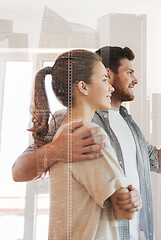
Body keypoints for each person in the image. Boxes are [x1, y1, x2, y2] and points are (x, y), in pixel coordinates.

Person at [12, 46, 161, 240]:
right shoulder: (73, 123)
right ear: (108, 74)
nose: (136, 79)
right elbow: (18, 171)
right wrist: (56, 150)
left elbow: (160, 164)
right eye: (129, 72)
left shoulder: (130, 125)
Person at [28, 49, 134, 239]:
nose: (110, 87)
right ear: (83, 87)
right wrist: (133, 200)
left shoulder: (63, 133)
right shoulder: (88, 135)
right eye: (103, 79)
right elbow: (125, 210)